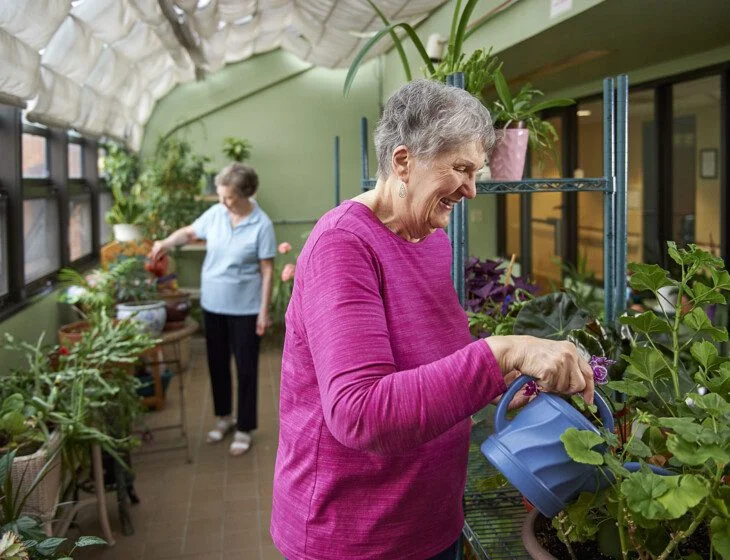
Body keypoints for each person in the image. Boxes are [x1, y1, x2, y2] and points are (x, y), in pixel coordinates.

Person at [270, 80, 595, 560]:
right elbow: (360, 413)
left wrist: (512, 378)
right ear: (403, 161)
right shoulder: (342, 246)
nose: (472, 189)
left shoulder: (431, 240)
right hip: (355, 535)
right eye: (462, 168)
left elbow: (434, 368)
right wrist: (502, 350)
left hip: (431, 518)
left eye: (477, 171)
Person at [149, 162, 276, 456]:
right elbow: (189, 233)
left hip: (245, 307)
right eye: (220, 195)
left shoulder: (261, 224)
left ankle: (244, 427)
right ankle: (224, 418)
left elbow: (267, 270)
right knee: (217, 364)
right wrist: (166, 242)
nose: (223, 202)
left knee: (246, 369)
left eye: (228, 197)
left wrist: (263, 311)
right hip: (213, 304)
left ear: (246, 193)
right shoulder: (217, 214)